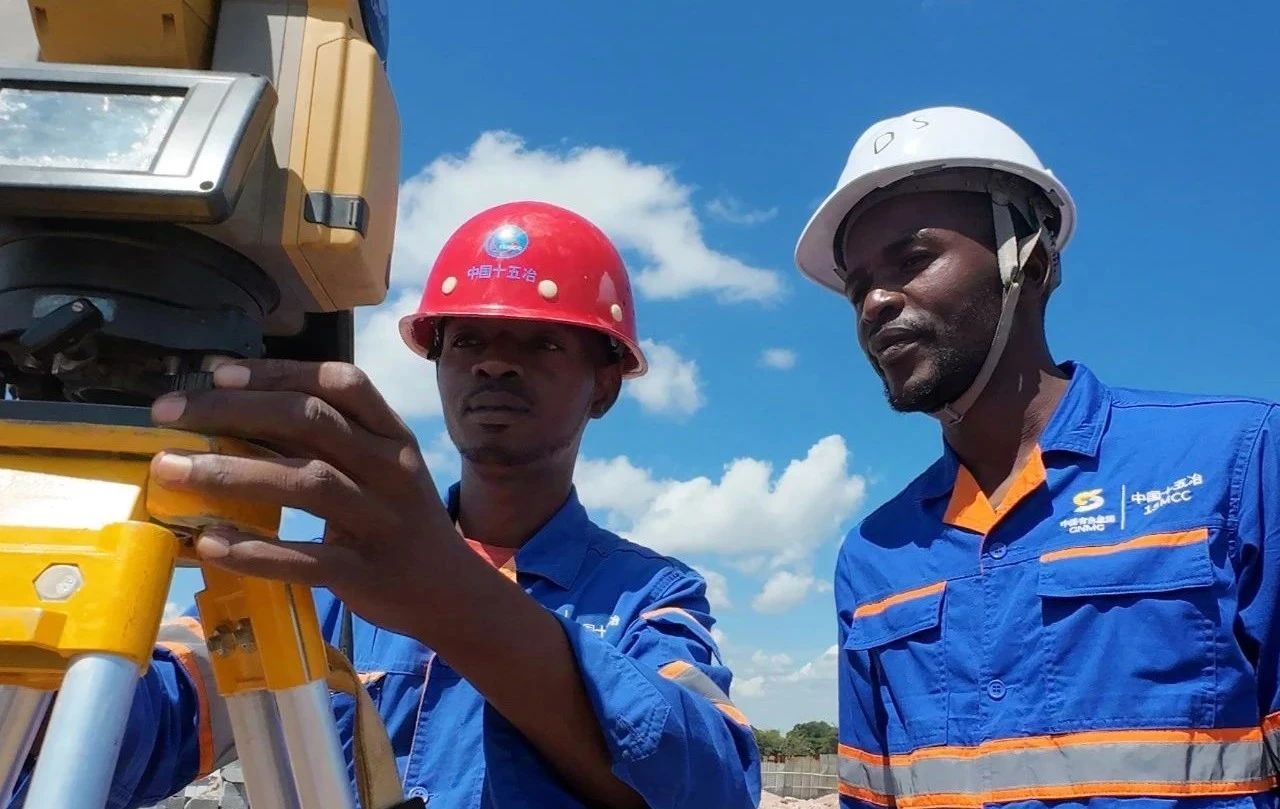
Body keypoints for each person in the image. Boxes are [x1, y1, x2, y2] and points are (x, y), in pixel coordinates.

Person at [9, 201, 761, 809]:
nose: (494, 362)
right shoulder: (319, 580)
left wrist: (453, 601)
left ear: (604, 385)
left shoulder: (650, 594)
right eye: (468, 339)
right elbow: (128, 737)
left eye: (542, 343)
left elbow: (715, 784)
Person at [793, 107, 1279, 807]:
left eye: (912, 260)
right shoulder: (874, 555)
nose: (874, 303)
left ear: (1033, 262)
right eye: (856, 287)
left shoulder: (1239, 460)